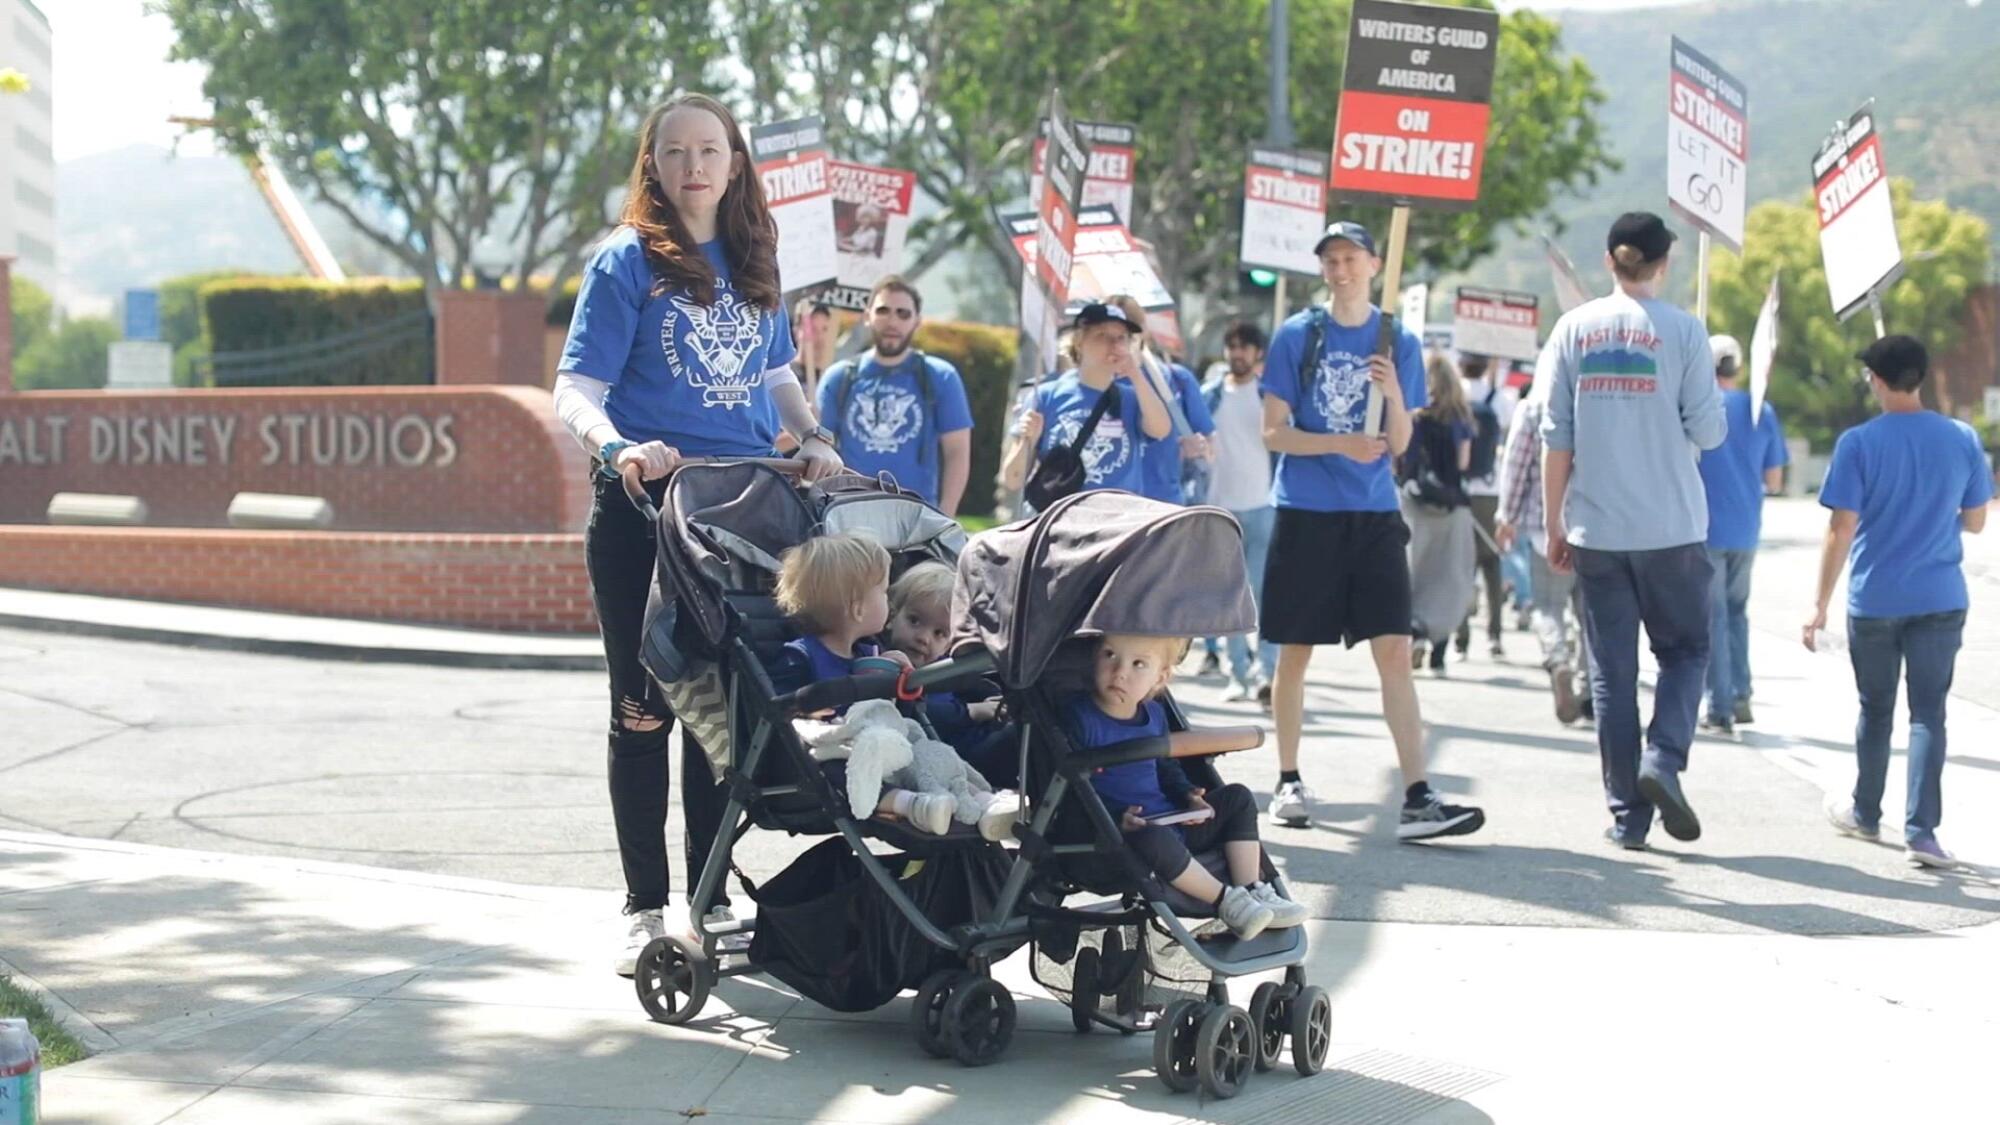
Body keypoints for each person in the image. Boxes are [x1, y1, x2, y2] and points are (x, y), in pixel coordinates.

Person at [551, 93, 845, 975]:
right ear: (655, 163)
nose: (694, 166)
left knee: (721, 716)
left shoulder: (757, 257)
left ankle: (709, 898)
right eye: (675, 151)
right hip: (647, 516)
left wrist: (814, 436)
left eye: (710, 149)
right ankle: (645, 908)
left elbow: (779, 374)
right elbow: (575, 388)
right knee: (643, 711)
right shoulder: (625, 260)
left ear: (735, 161)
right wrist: (619, 448)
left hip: (741, 516)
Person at [1259, 220, 1486, 840]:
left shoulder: (1398, 341)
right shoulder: (1297, 336)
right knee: (1294, 653)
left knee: (1394, 651)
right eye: (1330, 260)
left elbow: (1402, 442)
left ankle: (1418, 796)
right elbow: (1273, 432)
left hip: (1374, 515)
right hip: (1306, 511)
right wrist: (1339, 442)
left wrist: (1389, 394)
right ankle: (1287, 779)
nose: (1340, 270)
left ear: (1373, 264)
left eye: (1350, 258)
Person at [1541, 211, 1725, 851]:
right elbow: (1710, 432)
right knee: (1686, 653)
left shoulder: (1572, 329)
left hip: (1596, 529)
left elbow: (1554, 438)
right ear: (1664, 262)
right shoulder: (1684, 331)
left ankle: (1627, 817)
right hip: (1672, 528)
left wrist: (1553, 522)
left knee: (1611, 676)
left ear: (1609, 261)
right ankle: (1663, 759)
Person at [1809, 335, 1991, 869]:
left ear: (1880, 381)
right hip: (1940, 596)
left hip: (1876, 599)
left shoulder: (1858, 443)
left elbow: (1841, 528)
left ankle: (1866, 812)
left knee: (1876, 708)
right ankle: (1922, 832)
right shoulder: (1961, 438)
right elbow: (1977, 520)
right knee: (1929, 712)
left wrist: (1819, 603)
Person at [1067, 633, 1309, 939]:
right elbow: (1070, 788)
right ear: (1094, 657)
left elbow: (1165, 767)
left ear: (1160, 677)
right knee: (1153, 837)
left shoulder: (1153, 714)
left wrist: (1188, 795)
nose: (1120, 671)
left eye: (1138, 663)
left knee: (1238, 798)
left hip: (1172, 821)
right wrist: (1115, 818)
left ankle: (1251, 889)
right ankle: (1228, 901)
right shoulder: (1079, 717)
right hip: (1123, 834)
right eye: (1109, 655)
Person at [773, 533, 964, 835]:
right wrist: (809, 712)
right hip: (829, 758)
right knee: (834, 766)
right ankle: (909, 805)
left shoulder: (869, 653)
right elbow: (782, 710)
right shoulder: (799, 656)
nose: (888, 600)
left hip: (883, 748)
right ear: (858, 608)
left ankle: (969, 795)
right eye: (883, 592)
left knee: (924, 749)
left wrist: (900, 680)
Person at [816, 276, 975, 514]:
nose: (892, 321)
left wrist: (946, 516)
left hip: (916, 517)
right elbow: (819, 448)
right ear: (867, 316)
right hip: (847, 513)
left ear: (917, 321)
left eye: (903, 314)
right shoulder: (838, 378)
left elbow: (957, 452)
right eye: (883, 311)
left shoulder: (940, 376)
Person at [1696, 334, 1790, 734]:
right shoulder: (1759, 410)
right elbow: (1775, 477)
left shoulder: (1695, 408)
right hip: (1747, 527)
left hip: (1702, 526)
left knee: (1711, 617)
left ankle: (1718, 707)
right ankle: (1741, 693)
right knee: (1737, 612)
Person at [1000, 301, 1172, 502]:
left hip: (1120, 521)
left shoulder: (1132, 398)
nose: (1114, 345)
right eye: (1102, 336)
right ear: (1079, 341)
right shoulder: (1046, 395)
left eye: (1121, 338)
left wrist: (1135, 374)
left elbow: (1161, 430)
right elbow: (1012, 479)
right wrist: (1027, 440)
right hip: (1062, 520)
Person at [1495, 378, 1593, 724]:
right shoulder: (1597, 399)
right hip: (1596, 526)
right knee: (1590, 614)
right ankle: (1591, 687)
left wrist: (1507, 516)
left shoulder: (1533, 407)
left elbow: (1516, 466)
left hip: (1544, 528)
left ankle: (1558, 660)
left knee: (1548, 606)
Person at [1200, 321, 1278, 706]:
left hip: (1264, 506)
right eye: (1232, 346)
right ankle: (1238, 675)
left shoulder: (1269, 397)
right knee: (1229, 598)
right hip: (1222, 508)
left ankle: (1267, 674)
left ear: (1258, 353)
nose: (1238, 353)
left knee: (1264, 596)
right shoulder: (1209, 396)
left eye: (1245, 347)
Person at [883, 561, 1013, 787]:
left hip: (973, 738)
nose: (924, 638)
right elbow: (925, 713)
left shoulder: (945, 665)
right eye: (914, 621)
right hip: (955, 758)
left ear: (949, 643)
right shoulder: (888, 662)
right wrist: (975, 711)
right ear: (891, 615)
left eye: (939, 633)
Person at [1401, 352, 1478, 676]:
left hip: (1415, 504)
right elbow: (1463, 464)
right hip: (1451, 505)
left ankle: (1415, 629)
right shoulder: (1462, 417)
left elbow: (1401, 455)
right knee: (1449, 577)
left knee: (1415, 572)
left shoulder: (1415, 417)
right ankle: (1439, 652)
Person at [1109, 294, 1213, 508]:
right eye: (1109, 335)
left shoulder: (1176, 380)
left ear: (1142, 333)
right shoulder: (1089, 384)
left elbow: (1210, 448)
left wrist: (1196, 447)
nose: (1119, 343)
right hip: (1107, 509)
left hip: (1163, 507)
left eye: (1127, 333)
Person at [1455, 353, 1511, 660]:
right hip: (1492, 487)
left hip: (1461, 488)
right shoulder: (1497, 398)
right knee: (1492, 563)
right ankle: (1495, 636)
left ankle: (1461, 638)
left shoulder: (1454, 393)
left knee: (1462, 564)